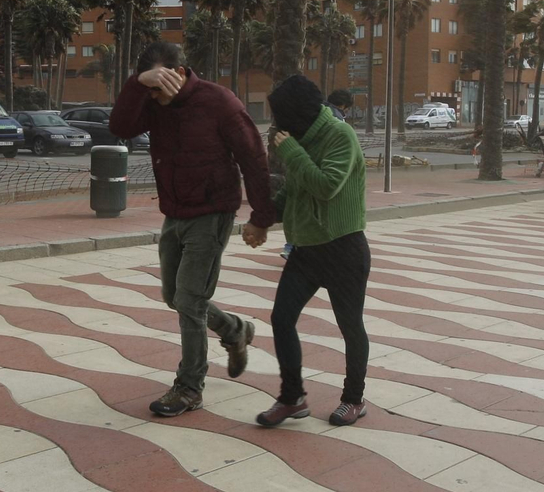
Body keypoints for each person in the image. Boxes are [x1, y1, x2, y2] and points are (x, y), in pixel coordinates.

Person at [110, 41, 276, 416]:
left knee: (189, 300)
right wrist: (139, 85)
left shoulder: (220, 102)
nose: (155, 96)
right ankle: (234, 330)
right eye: (149, 87)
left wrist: (261, 217)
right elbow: (120, 127)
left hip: (213, 212)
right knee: (175, 296)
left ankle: (189, 388)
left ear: (180, 73)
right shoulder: (150, 101)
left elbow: (254, 159)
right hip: (175, 212)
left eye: (159, 86)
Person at [244, 75, 371, 428]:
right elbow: (295, 192)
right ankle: (292, 397)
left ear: (299, 115)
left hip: (343, 247)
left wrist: (292, 152)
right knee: (281, 318)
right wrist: (262, 221)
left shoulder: (339, 136)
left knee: (350, 325)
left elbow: (327, 186)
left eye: (280, 116)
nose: (276, 125)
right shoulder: (300, 139)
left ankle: (353, 399)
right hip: (307, 250)